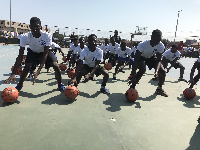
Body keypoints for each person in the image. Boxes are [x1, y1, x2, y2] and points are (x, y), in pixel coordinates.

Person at [4, 17, 65, 92]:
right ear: (30, 27)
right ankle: (19, 85)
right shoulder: (25, 37)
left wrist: (39, 70)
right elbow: (20, 57)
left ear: (40, 27)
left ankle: (60, 84)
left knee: (55, 65)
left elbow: (45, 55)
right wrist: (13, 73)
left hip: (44, 52)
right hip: (32, 52)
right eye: (33, 27)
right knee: (27, 67)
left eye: (37, 26)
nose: (35, 28)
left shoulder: (47, 36)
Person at [129, 29, 168, 97]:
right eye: (156, 38)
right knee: (142, 69)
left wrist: (156, 71)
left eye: (159, 38)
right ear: (151, 37)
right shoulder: (142, 45)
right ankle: (132, 87)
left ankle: (159, 89)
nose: (158, 40)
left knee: (162, 71)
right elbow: (135, 61)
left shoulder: (161, 46)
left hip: (150, 57)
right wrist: (133, 74)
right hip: (141, 57)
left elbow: (159, 61)